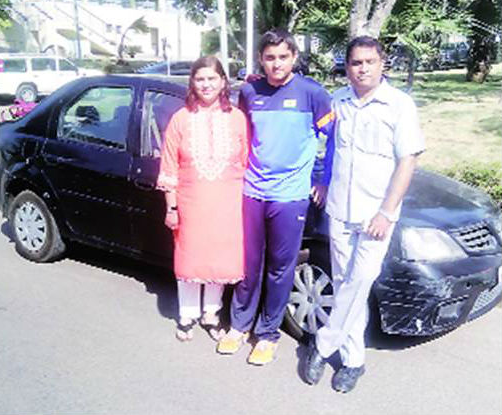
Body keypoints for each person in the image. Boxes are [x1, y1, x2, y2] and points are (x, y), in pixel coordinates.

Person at [303, 36, 425, 392]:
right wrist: (322, 182)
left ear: (382, 63)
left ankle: (323, 344)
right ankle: (354, 362)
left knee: (362, 279)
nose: (363, 68)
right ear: (348, 65)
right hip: (340, 210)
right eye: (356, 62)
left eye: (370, 61)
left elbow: (408, 162)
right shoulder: (337, 101)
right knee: (344, 284)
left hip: (376, 215)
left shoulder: (399, 105)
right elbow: (329, 149)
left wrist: (387, 212)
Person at [217, 28, 335, 365]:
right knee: (249, 265)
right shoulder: (250, 91)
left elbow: (335, 139)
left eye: (283, 57)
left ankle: (267, 334)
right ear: (260, 59)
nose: (276, 63)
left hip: (290, 198)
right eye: (270, 57)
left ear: (294, 58)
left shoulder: (312, 93)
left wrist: (323, 180)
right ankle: (239, 326)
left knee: (280, 269)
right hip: (253, 193)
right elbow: (244, 138)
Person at [157, 56, 248, 342]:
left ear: (223, 81)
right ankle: (187, 315)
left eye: (212, 78)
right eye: (200, 79)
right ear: (192, 83)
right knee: (190, 258)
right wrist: (171, 207)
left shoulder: (236, 118)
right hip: (190, 204)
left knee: (218, 259)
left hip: (227, 204)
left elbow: (245, 161)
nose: (206, 84)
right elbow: (169, 166)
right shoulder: (180, 120)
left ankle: (211, 313)